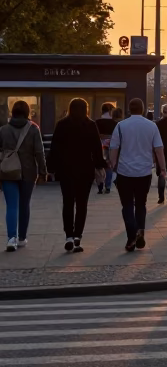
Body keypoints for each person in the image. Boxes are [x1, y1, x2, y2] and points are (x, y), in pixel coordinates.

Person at [108, 97, 166, 252]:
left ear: (129, 110)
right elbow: (159, 149)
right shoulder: (151, 126)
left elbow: (113, 148)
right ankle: (140, 230)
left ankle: (131, 236)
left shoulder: (120, 126)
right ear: (144, 109)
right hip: (144, 172)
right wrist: (163, 169)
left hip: (124, 172)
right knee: (141, 204)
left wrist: (112, 164)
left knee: (127, 205)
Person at [49, 98, 105, 252]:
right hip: (85, 170)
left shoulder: (62, 125)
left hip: (66, 170)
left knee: (68, 203)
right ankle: (77, 236)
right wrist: (100, 165)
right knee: (82, 204)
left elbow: (55, 148)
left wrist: (51, 168)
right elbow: (96, 148)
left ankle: (68, 235)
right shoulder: (90, 125)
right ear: (86, 109)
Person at [0, 100, 46, 251]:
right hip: (28, 173)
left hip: (8, 172)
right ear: (27, 113)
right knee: (24, 205)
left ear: (12, 112)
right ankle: (22, 238)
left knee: (12, 205)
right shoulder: (33, 129)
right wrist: (43, 172)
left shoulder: (3, 130)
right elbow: (39, 152)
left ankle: (11, 238)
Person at [95, 103, 116, 194]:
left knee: (99, 166)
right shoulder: (115, 123)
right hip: (111, 146)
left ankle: (100, 185)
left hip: (99, 145)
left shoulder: (97, 122)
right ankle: (107, 186)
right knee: (109, 166)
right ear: (111, 111)